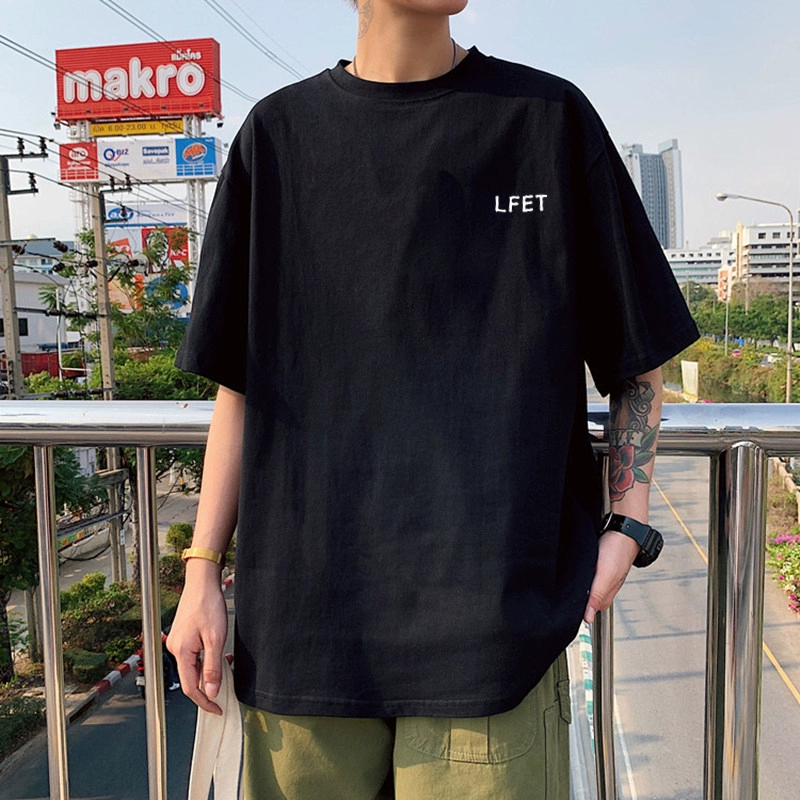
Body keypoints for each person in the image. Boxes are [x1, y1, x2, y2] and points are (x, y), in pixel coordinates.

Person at [167, 1, 699, 797]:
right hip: (304, 629)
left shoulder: (546, 119)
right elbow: (240, 389)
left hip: (495, 634)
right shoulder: (275, 137)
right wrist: (201, 570)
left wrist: (627, 523)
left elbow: (638, 358)